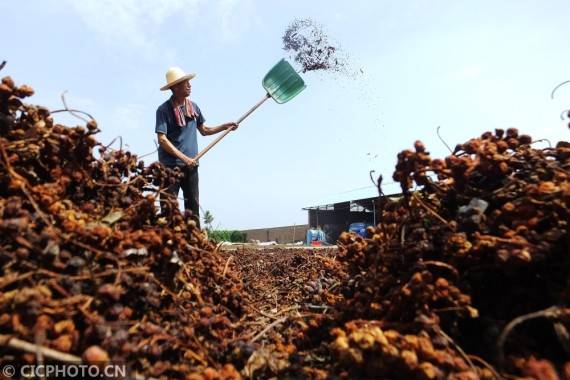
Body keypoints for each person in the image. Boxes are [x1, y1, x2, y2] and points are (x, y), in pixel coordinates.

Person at [155, 67, 237, 228]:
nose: (189, 86)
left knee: (193, 208)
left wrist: (224, 126)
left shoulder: (194, 108)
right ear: (175, 87)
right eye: (186, 83)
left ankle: (193, 244)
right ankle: (167, 245)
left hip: (191, 166)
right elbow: (162, 140)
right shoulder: (163, 110)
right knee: (168, 208)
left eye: (189, 82)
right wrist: (184, 158)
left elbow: (204, 130)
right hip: (170, 167)